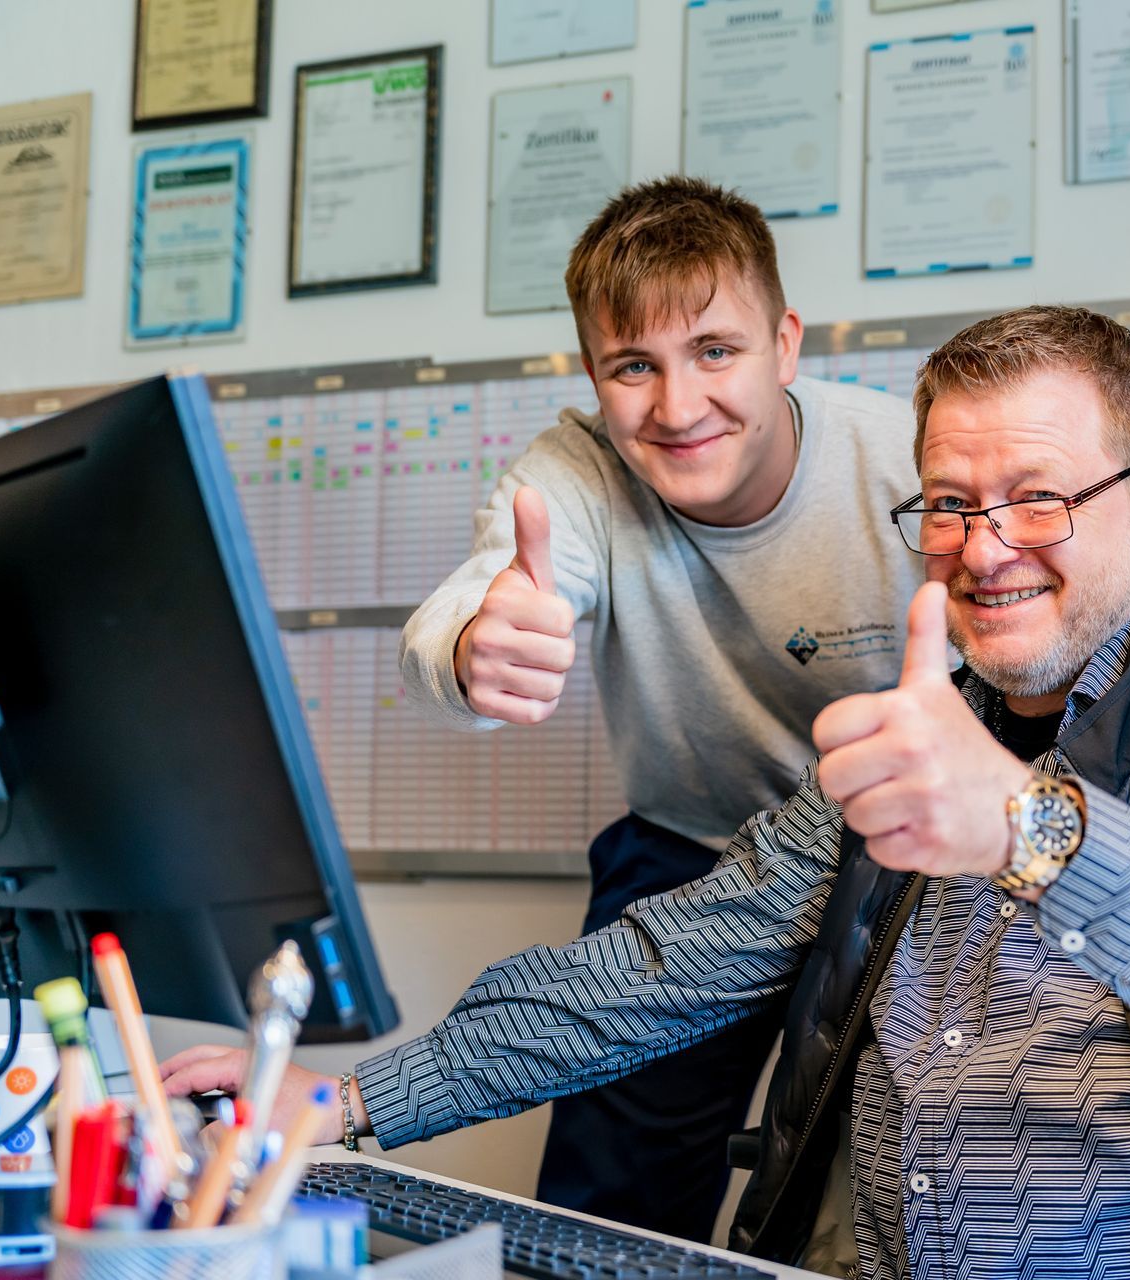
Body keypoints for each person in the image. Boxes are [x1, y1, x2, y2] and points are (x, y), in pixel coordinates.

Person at [165, 305, 1130, 1278]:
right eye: (951, 504)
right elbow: (659, 966)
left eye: (1037, 499)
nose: (985, 545)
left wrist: (1032, 830)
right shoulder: (918, 737)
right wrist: (348, 1103)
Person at [357, 175, 924, 1240]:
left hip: (894, 866)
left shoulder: (904, 463)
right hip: (689, 855)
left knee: (888, 1197)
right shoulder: (573, 475)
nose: (676, 404)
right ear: (593, 376)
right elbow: (478, 593)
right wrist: (479, 644)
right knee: (607, 1203)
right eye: (634, 365)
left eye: (716, 349)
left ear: (786, 344)